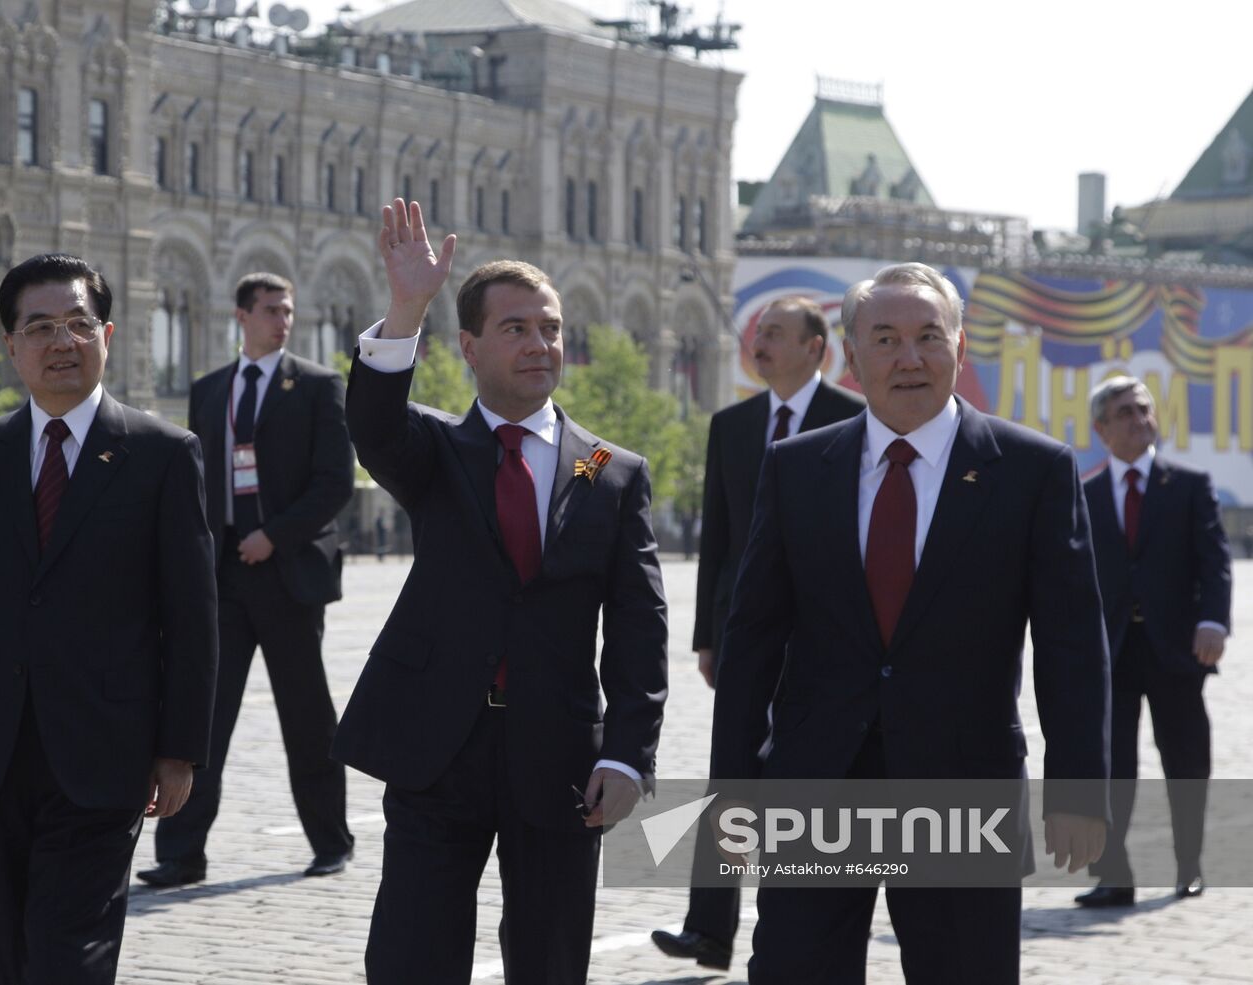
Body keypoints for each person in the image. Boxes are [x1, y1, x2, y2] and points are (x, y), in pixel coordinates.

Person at [710, 261, 1111, 984]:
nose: (910, 357)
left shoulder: (1031, 470)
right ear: (853, 357)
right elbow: (753, 640)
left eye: (930, 336)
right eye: (886, 338)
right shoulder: (797, 467)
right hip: (817, 786)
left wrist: (1079, 786)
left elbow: (1072, 639)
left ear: (960, 349)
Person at [332, 199, 669, 985]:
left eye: (549, 328)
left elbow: (639, 627)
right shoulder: (436, 451)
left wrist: (629, 752)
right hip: (435, 747)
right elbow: (373, 424)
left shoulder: (610, 472)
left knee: (550, 961)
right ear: (470, 347)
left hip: (559, 758)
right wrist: (406, 306)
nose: (539, 343)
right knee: (413, 957)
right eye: (515, 327)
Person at [0, 253, 218, 984]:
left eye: (77, 324)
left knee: (69, 956)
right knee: (4, 958)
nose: (60, 342)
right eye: (40, 327)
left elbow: (192, 617)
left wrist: (180, 746)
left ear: (108, 334)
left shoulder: (162, 455)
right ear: (12, 345)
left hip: (105, 753)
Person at [653, 296, 862, 970]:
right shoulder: (734, 424)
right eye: (755, 333)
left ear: (815, 347)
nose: (758, 343)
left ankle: (794, 911)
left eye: (774, 332)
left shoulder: (853, 421)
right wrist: (707, 635)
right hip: (746, 633)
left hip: (824, 637)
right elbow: (717, 537)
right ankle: (709, 927)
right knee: (731, 774)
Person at [139, 272, 354, 886]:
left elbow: (334, 482)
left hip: (287, 576)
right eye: (270, 310)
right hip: (222, 577)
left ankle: (330, 841)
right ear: (241, 316)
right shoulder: (210, 390)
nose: (283, 319)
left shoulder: (316, 386)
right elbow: (194, 481)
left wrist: (275, 534)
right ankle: (181, 854)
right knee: (200, 717)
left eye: (288, 310)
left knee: (307, 719)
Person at [1075, 376, 1231, 907]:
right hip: (1110, 652)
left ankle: (1189, 864)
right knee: (1111, 765)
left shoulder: (1188, 485)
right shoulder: (1084, 495)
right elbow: (1072, 578)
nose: (1139, 419)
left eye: (1143, 409)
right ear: (1101, 428)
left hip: (1177, 649)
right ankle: (1114, 875)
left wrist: (1214, 622)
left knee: (1187, 761)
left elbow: (1215, 563)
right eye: (1124, 412)